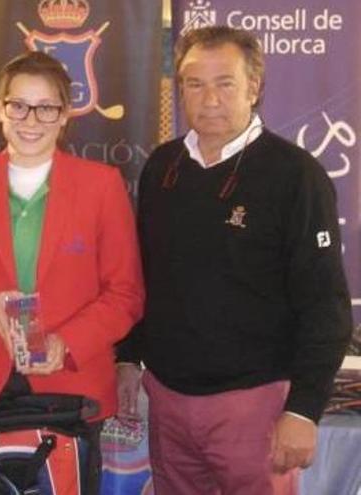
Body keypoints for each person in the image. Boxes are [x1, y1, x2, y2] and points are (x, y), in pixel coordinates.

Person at [117, 25, 352, 495]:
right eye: (194, 83)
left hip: (255, 405)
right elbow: (145, 275)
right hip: (167, 398)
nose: (209, 99)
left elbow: (325, 305)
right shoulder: (163, 166)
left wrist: (303, 409)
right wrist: (127, 357)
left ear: (255, 86)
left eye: (225, 82)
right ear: (179, 88)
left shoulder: (296, 176)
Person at [0, 51, 144, 493]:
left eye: (47, 107)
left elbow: (125, 295)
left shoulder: (101, 185)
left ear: (64, 115)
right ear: (1, 109)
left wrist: (67, 342)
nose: (31, 119)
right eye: (18, 105)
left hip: (72, 387)